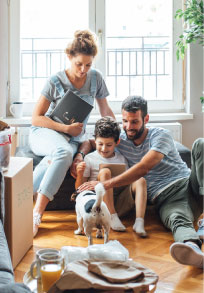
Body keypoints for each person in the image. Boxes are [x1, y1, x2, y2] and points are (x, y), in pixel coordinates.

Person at [76, 96, 204, 269]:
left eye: (134, 122)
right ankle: (193, 248)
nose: (129, 127)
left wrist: (104, 185)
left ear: (146, 119)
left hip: (190, 184)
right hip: (166, 199)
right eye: (125, 121)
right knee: (177, 221)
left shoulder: (160, 135)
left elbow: (144, 167)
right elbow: (91, 141)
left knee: (200, 144)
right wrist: (80, 156)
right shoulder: (120, 139)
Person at [29, 30, 115, 237]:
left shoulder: (96, 79)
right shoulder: (55, 80)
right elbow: (36, 118)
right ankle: (36, 213)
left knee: (62, 154)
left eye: (88, 65)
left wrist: (116, 133)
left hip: (71, 141)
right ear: (69, 57)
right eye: (79, 64)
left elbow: (106, 111)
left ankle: (16, 200)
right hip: (44, 133)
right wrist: (66, 129)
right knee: (64, 152)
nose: (84, 69)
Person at [75, 116, 147, 235]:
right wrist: (79, 173)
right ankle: (112, 217)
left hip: (121, 202)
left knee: (140, 179)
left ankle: (139, 221)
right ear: (95, 141)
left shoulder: (122, 159)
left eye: (109, 145)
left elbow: (128, 181)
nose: (104, 148)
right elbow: (79, 189)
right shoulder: (90, 158)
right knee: (105, 172)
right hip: (99, 206)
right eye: (100, 144)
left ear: (117, 142)